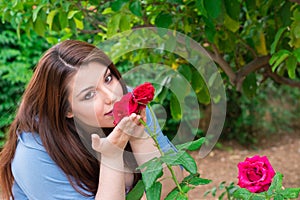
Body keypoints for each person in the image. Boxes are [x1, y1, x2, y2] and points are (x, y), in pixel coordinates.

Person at [0, 40, 182, 200]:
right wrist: (112, 155)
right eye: (89, 95)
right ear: (67, 110)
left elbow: (174, 181)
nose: (112, 96)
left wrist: (139, 137)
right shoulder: (34, 154)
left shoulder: (131, 104)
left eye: (108, 78)